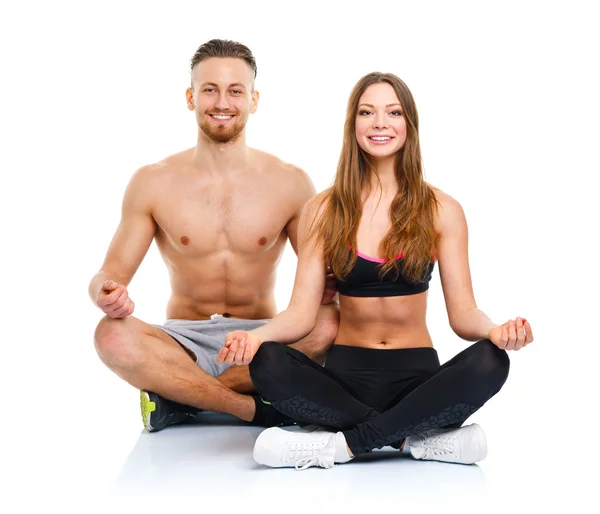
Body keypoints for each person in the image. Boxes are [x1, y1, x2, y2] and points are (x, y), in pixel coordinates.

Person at [217, 71, 534, 469]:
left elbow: (463, 314)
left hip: (419, 382)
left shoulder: (442, 209)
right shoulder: (323, 209)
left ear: (409, 125)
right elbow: (299, 315)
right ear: (353, 126)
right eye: (367, 112)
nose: (380, 122)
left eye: (393, 112)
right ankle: (412, 440)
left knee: (492, 360)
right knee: (267, 362)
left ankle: (340, 447)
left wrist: (494, 332)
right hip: (345, 383)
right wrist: (255, 338)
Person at [89, 39, 339, 433]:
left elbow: (322, 277)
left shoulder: (290, 182)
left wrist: (334, 286)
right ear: (191, 97)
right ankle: (248, 408)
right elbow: (108, 275)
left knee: (329, 324)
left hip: (262, 337)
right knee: (111, 336)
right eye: (210, 89)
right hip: (182, 343)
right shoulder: (152, 181)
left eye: (235, 91)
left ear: (254, 100)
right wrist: (106, 293)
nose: (222, 102)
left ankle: (182, 399)